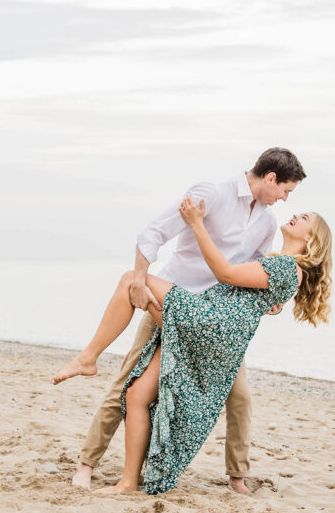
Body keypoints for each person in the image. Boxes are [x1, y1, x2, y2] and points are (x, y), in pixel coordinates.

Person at [55, 147, 306, 494]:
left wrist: (271, 302)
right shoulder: (212, 193)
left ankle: (237, 477)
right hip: (170, 300)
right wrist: (141, 281)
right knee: (128, 384)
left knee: (240, 397)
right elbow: (154, 232)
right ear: (271, 178)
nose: (284, 198)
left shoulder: (264, 221)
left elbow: (254, 268)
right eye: (285, 190)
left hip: (213, 322)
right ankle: (87, 464)